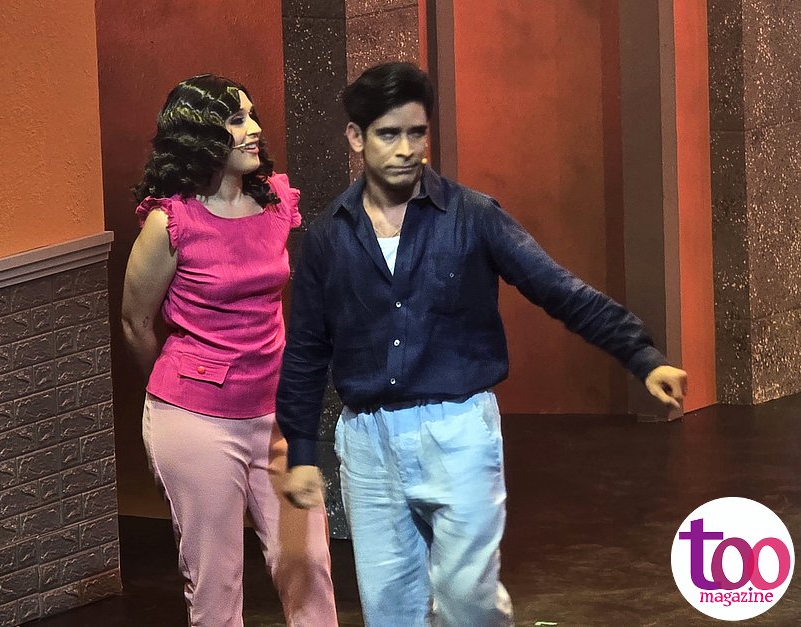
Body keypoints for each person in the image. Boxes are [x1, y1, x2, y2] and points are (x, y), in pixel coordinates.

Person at [276, 62, 688, 627]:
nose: (405, 149)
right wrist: (302, 452)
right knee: (390, 613)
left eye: (417, 133)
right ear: (356, 137)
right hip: (368, 442)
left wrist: (642, 357)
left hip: (459, 429)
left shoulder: (472, 216)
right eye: (388, 134)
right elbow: (306, 347)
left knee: (466, 599)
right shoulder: (329, 235)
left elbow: (558, 289)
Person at [121, 74, 338, 627]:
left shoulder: (274, 203)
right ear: (199, 135)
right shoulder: (171, 222)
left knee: (309, 563)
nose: (254, 129)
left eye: (251, 115)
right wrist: (177, 387)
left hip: (276, 415)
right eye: (236, 120)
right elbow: (135, 322)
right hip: (196, 418)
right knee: (216, 584)